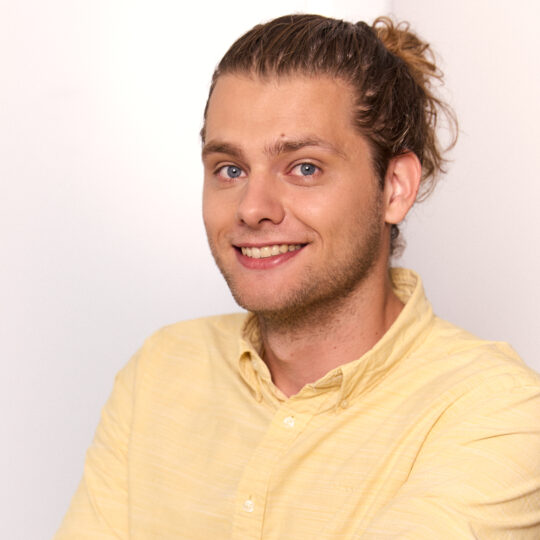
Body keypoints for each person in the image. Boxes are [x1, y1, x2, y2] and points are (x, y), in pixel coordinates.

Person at [55, 14, 540, 539]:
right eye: (230, 169)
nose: (252, 208)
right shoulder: (160, 370)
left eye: (305, 167)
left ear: (394, 188)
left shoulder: (495, 408)